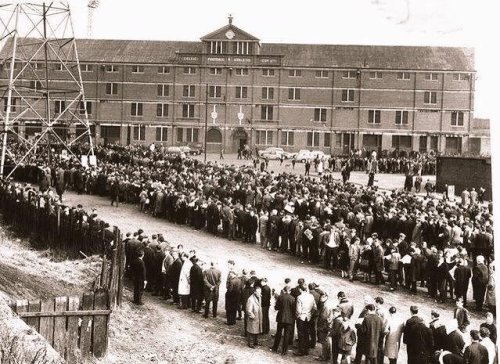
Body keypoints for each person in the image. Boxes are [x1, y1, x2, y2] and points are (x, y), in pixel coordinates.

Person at [272, 284, 295, 356]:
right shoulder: (293, 299)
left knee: (278, 333)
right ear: (290, 291)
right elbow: (294, 310)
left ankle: (275, 348)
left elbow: (276, 308)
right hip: (289, 319)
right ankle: (284, 351)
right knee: (286, 335)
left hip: (281, 318)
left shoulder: (280, 297)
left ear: (284, 290)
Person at [294, 285, 317, 356]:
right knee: (307, 333)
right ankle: (306, 350)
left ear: (300, 289)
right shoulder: (311, 296)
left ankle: (301, 350)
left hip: (301, 317)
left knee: (301, 334)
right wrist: (310, 314)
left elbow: (298, 310)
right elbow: (315, 307)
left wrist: (297, 317)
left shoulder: (299, 297)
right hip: (308, 317)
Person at [316, 293, 334, 362]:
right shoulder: (327, 305)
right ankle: (328, 356)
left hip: (324, 326)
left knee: (324, 341)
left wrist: (320, 327)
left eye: (322, 297)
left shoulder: (326, 306)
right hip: (327, 326)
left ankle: (324, 356)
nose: (321, 298)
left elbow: (323, 317)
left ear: (326, 297)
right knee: (327, 341)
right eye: (320, 297)